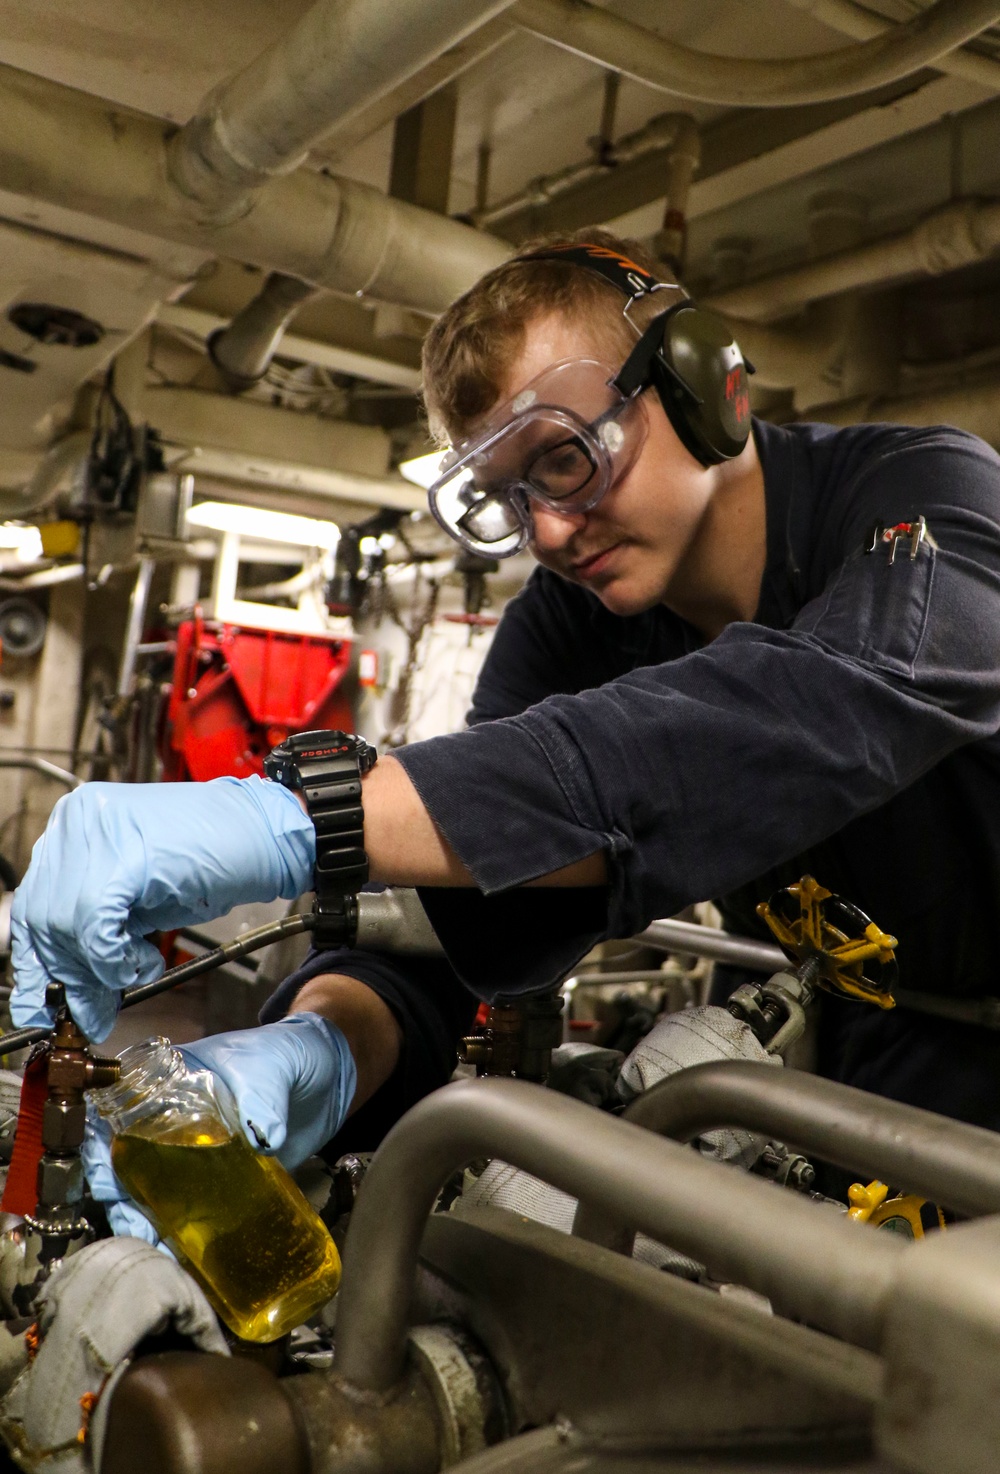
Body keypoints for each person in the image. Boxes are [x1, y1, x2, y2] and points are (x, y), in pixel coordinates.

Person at [11, 229, 1000, 1218]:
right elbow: (460, 896)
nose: (551, 535)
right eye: (508, 500)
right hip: (853, 1077)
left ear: (706, 386)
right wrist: (320, 1044)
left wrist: (317, 820)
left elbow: (824, 701)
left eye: (565, 461)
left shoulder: (923, 495)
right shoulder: (572, 624)